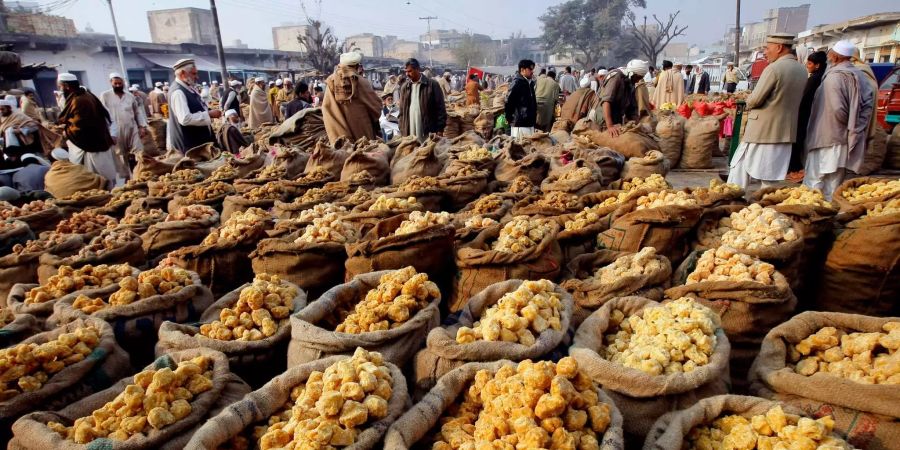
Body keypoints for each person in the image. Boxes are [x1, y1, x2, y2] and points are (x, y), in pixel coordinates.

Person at [727, 33, 807, 191]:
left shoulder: (774, 69)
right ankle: (766, 206)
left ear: (779, 48)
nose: (765, 52)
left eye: (767, 48)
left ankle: (731, 203)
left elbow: (755, 99)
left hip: (762, 131)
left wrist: (747, 101)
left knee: (739, 170)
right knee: (770, 177)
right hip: (785, 131)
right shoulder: (801, 70)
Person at [803, 40, 875, 200]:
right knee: (833, 184)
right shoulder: (859, 75)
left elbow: (837, 109)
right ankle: (829, 215)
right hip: (844, 138)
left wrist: (843, 125)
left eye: (830, 53)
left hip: (828, 137)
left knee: (815, 182)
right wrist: (854, 128)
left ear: (835, 56)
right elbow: (867, 106)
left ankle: (814, 215)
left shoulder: (835, 78)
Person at [56, 72, 118, 188]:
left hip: (91, 144)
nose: (60, 89)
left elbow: (81, 126)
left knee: (97, 178)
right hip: (98, 141)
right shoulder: (84, 95)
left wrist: (67, 131)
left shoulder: (79, 100)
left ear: (66, 86)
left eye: (60, 86)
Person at [322, 52, 382, 144]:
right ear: (357, 65)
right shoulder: (362, 82)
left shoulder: (331, 81)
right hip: (362, 132)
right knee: (364, 154)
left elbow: (327, 107)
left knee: (344, 154)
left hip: (340, 135)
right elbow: (376, 108)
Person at [166, 59, 221, 153]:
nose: (197, 77)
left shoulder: (187, 87)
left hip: (198, 142)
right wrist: (209, 114)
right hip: (190, 145)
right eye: (194, 74)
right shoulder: (178, 92)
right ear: (183, 73)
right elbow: (185, 118)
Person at [788, 51, 827, 180]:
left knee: (797, 140)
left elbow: (804, 97)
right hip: (811, 114)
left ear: (817, 65)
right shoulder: (822, 77)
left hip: (804, 114)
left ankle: (795, 169)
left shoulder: (815, 79)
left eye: (810, 63)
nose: (807, 65)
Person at [100, 73, 147, 180]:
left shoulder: (130, 96)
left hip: (131, 127)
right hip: (116, 130)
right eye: (115, 83)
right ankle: (126, 178)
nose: (117, 85)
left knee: (139, 151)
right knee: (120, 155)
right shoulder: (105, 95)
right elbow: (102, 114)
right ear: (111, 83)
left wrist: (141, 126)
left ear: (123, 83)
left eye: (120, 83)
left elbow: (137, 112)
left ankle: (140, 175)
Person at [398, 58, 447, 142]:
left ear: (417, 69)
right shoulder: (405, 87)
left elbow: (441, 108)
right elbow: (401, 111)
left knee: (427, 152)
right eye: (406, 71)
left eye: (409, 71)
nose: (407, 74)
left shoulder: (432, 85)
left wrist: (440, 129)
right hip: (409, 130)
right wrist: (402, 128)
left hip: (428, 130)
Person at [596, 59, 648, 136]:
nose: (638, 81)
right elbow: (606, 102)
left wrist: (637, 124)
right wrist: (610, 126)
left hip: (617, 118)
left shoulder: (631, 82)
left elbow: (632, 107)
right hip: (604, 119)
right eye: (637, 78)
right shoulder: (616, 77)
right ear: (631, 73)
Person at [43, 147, 108, 198]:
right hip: (86, 198)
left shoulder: (49, 175)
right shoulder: (79, 167)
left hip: (62, 202)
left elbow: (48, 191)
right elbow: (98, 179)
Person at [505, 59, 538, 139]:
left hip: (529, 122)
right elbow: (508, 102)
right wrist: (510, 119)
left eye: (532, 69)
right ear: (522, 70)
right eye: (530, 69)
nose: (532, 71)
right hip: (520, 123)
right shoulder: (517, 83)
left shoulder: (529, 83)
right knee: (520, 147)